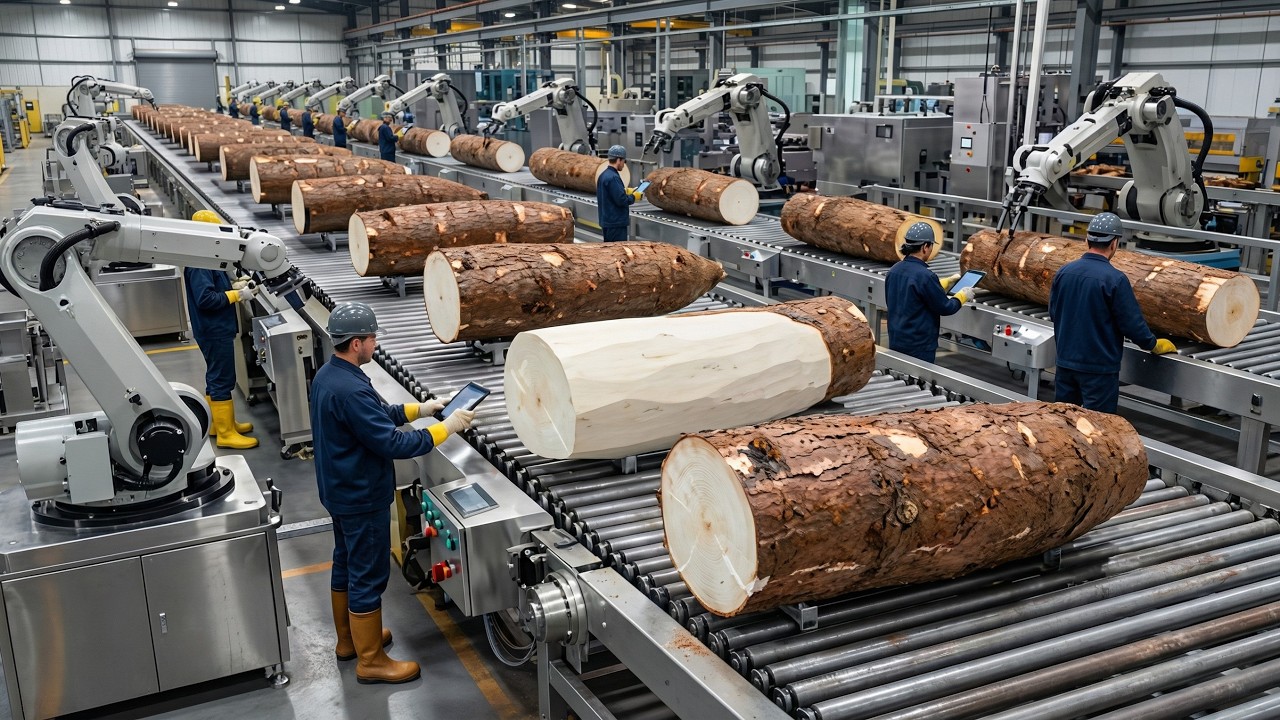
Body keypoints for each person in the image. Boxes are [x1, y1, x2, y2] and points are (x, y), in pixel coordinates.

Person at [312, 302, 475, 684]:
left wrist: (422, 409)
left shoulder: (331, 374)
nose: (376, 344)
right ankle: (371, 660)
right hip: (361, 495)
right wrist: (446, 427)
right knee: (369, 573)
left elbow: (374, 415)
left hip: (338, 490)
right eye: (372, 339)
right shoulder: (350, 388)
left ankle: (350, 640)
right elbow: (392, 444)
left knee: (346, 564)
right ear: (356, 343)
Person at [1049, 212, 1176, 413]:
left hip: (1065, 365)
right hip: (1098, 372)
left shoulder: (1064, 272)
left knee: (1064, 423)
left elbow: (1054, 313)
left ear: (1086, 239)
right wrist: (1151, 343)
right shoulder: (1115, 280)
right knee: (1100, 430)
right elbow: (1131, 323)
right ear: (1114, 243)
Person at [184, 210, 258, 449]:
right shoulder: (199, 261)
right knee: (222, 378)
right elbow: (206, 299)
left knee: (216, 376)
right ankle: (226, 434)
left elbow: (215, 287)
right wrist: (238, 295)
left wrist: (235, 284)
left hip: (215, 328)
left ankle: (219, 424)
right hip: (214, 329)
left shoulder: (206, 255)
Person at [884, 221, 970, 363]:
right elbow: (946, 307)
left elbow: (912, 292)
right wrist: (962, 296)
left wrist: (943, 283)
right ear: (925, 247)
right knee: (919, 384)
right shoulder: (925, 276)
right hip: (919, 346)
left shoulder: (894, 270)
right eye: (931, 246)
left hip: (896, 340)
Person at [596, 145, 642, 242]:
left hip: (607, 221)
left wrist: (625, 191)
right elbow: (621, 200)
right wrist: (634, 196)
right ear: (618, 160)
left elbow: (609, 194)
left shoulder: (603, 175)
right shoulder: (613, 177)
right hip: (615, 223)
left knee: (610, 251)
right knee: (618, 252)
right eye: (623, 161)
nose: (623, 164)